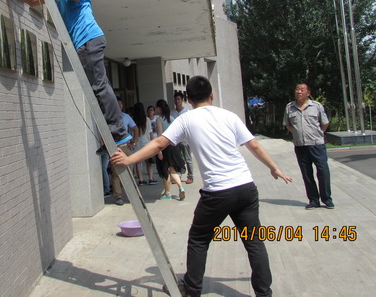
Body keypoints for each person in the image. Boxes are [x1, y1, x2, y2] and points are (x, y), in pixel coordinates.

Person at [111, 76, 292, 297]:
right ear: (212, 95)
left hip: (218, 192)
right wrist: (274, 168)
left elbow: (159, 143)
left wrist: (129, 160)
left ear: (188, 99)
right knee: (254, 242)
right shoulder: (229, 116)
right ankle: (264, 293)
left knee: (198, 239)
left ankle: (191, 289)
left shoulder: (187, 119)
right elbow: (253, 145)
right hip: (245, 187)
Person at [4, 0, 131, 146]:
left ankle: (119, 133)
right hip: (82, 42)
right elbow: (33, 1)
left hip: (88, 37)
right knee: (94, 91)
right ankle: (108, 138)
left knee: (99, 87)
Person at [283, 82, 333, 210]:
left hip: (317, 145)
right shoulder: (289, 107)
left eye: (302, 89)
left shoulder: (317, 106)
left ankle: (327, 199)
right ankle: (314, 200)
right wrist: (297, 134)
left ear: (308, 93)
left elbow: (325, 123)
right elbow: (288, 124)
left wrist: (318, 134)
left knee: (323, 172)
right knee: (306, 174)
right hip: (300, 146)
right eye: (297, 89)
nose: (299, 92)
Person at [155, 99, 185, 200]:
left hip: (165, 147)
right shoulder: (172, 118)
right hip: (174, 146)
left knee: (165, 170)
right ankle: (181, 187)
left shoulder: (159, 120)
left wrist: (159, 150)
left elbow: (160, 135)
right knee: (172, 169)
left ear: (160, 108)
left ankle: (167, 192)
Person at [110, 97, 138, 205]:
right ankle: (118, 196)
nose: (120, 106)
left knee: (130, 171)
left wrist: (134, 142)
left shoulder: (126, 117)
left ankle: (132, 194)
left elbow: (135, 129)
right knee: (116, 173)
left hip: (126, 146)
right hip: (114, 147)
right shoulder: (109, 117)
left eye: (121, 104)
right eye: (118, 104)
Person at [171, 91, 195, 184]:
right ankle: (178, 176)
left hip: (185, 139)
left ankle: (190, 176)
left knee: (187, 158)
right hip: (176, 139)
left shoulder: (187, 112)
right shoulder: (172, 113)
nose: (177, 101)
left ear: (182, 100)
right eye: (175, 99)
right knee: (177, 158)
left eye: (178, 99)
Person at [133, 102, 156, 185]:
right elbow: (150, 132)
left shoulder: (133, 120)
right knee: (148, 162)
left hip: (137, 143)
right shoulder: (147, 119)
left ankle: (141, 179)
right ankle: (151, 178)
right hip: (146, 143)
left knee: (138, 162)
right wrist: (153, 142)